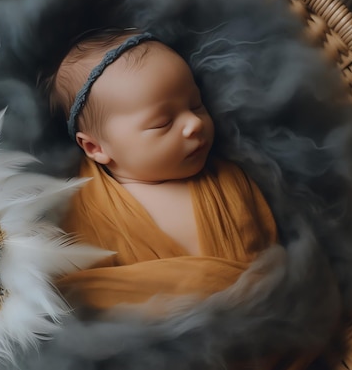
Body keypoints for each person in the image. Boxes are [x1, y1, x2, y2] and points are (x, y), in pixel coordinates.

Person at [49, 28, 278, 312]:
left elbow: (268, 250)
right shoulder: (85, 209)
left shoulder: (225, 176)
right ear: (96, 148)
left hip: (265, 316)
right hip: (164, 343)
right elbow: (82, 293)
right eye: (162, 123)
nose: (193, 123)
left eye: (196, 104)